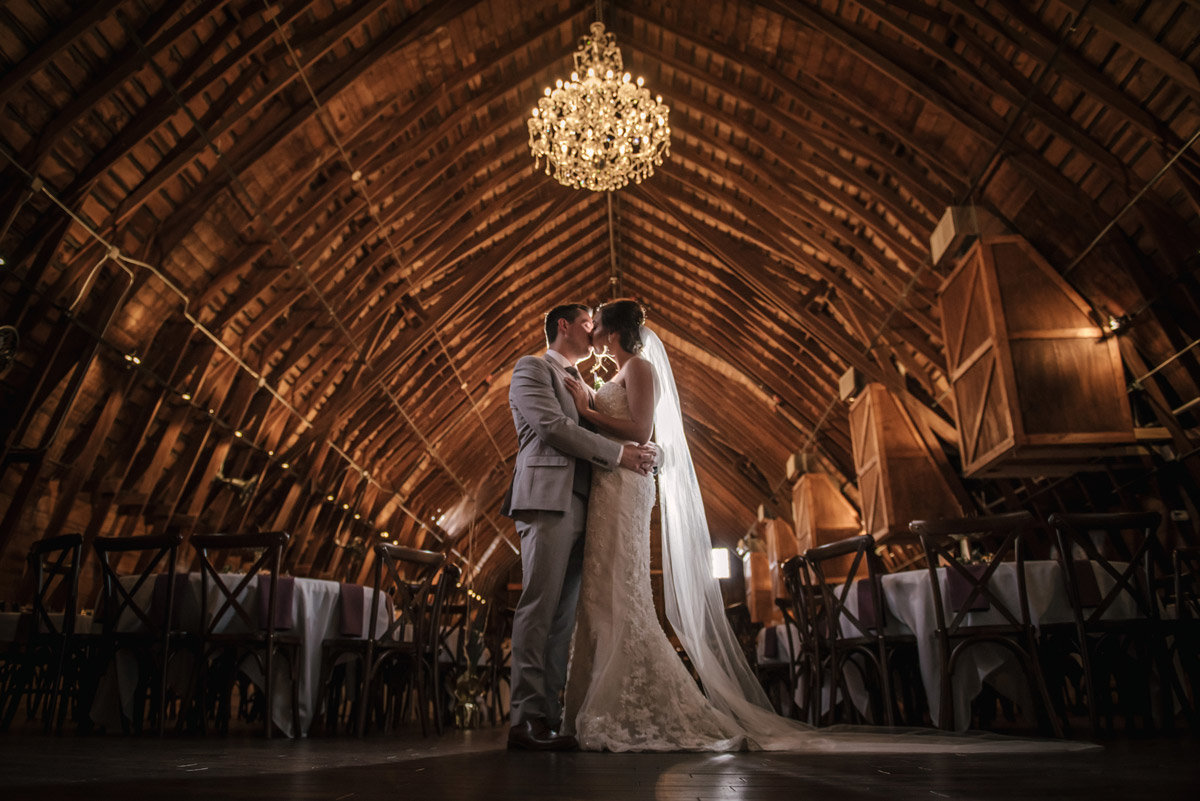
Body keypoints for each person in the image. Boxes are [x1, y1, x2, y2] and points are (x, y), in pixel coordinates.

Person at [558, 299, 1101, 754]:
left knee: (624, 590)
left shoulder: (641, 368)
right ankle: (594, 697)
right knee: (607, 590)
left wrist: (586, 409)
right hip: (615, 486)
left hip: (629, 485)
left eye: (598, 322)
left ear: (616, 327)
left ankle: (630, 702)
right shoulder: (618, 371)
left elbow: (640, 428)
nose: (593, 330)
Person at [501, 303, 656, 751]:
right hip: (547, 497)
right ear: (564, 326)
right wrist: (620, 455)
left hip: (587, 503)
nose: (594, 333)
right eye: (588, 324)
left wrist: (647, 452)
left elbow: (624, 427)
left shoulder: (587, 383)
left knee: (563, 618)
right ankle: (525, 719)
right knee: (539, 606)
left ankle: (549, 716)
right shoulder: (532, 368)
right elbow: (552, 428)